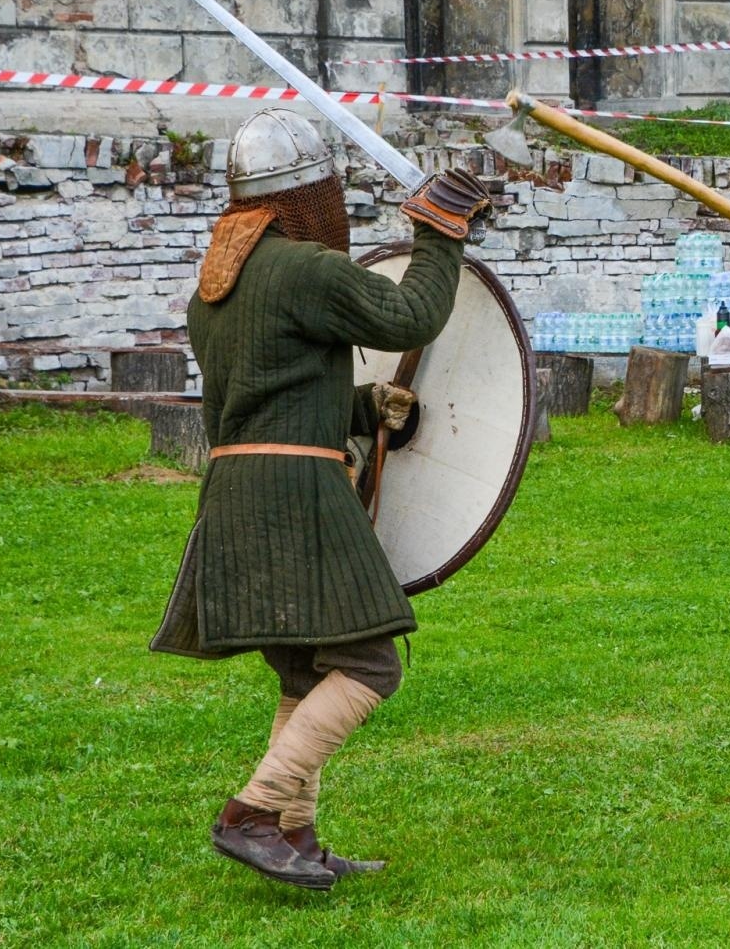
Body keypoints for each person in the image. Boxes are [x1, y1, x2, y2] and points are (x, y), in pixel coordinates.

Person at [151, 107, 492, 889]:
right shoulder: (305, 269)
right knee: (372, 663)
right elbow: (413, 314)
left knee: (305, 672)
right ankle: (256, 812)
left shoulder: (217, 288)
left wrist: (364, 409)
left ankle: (297, 836)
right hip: (296, 493)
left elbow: (259, 399)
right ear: (311, 195)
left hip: (236, 490)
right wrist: (441, 234)